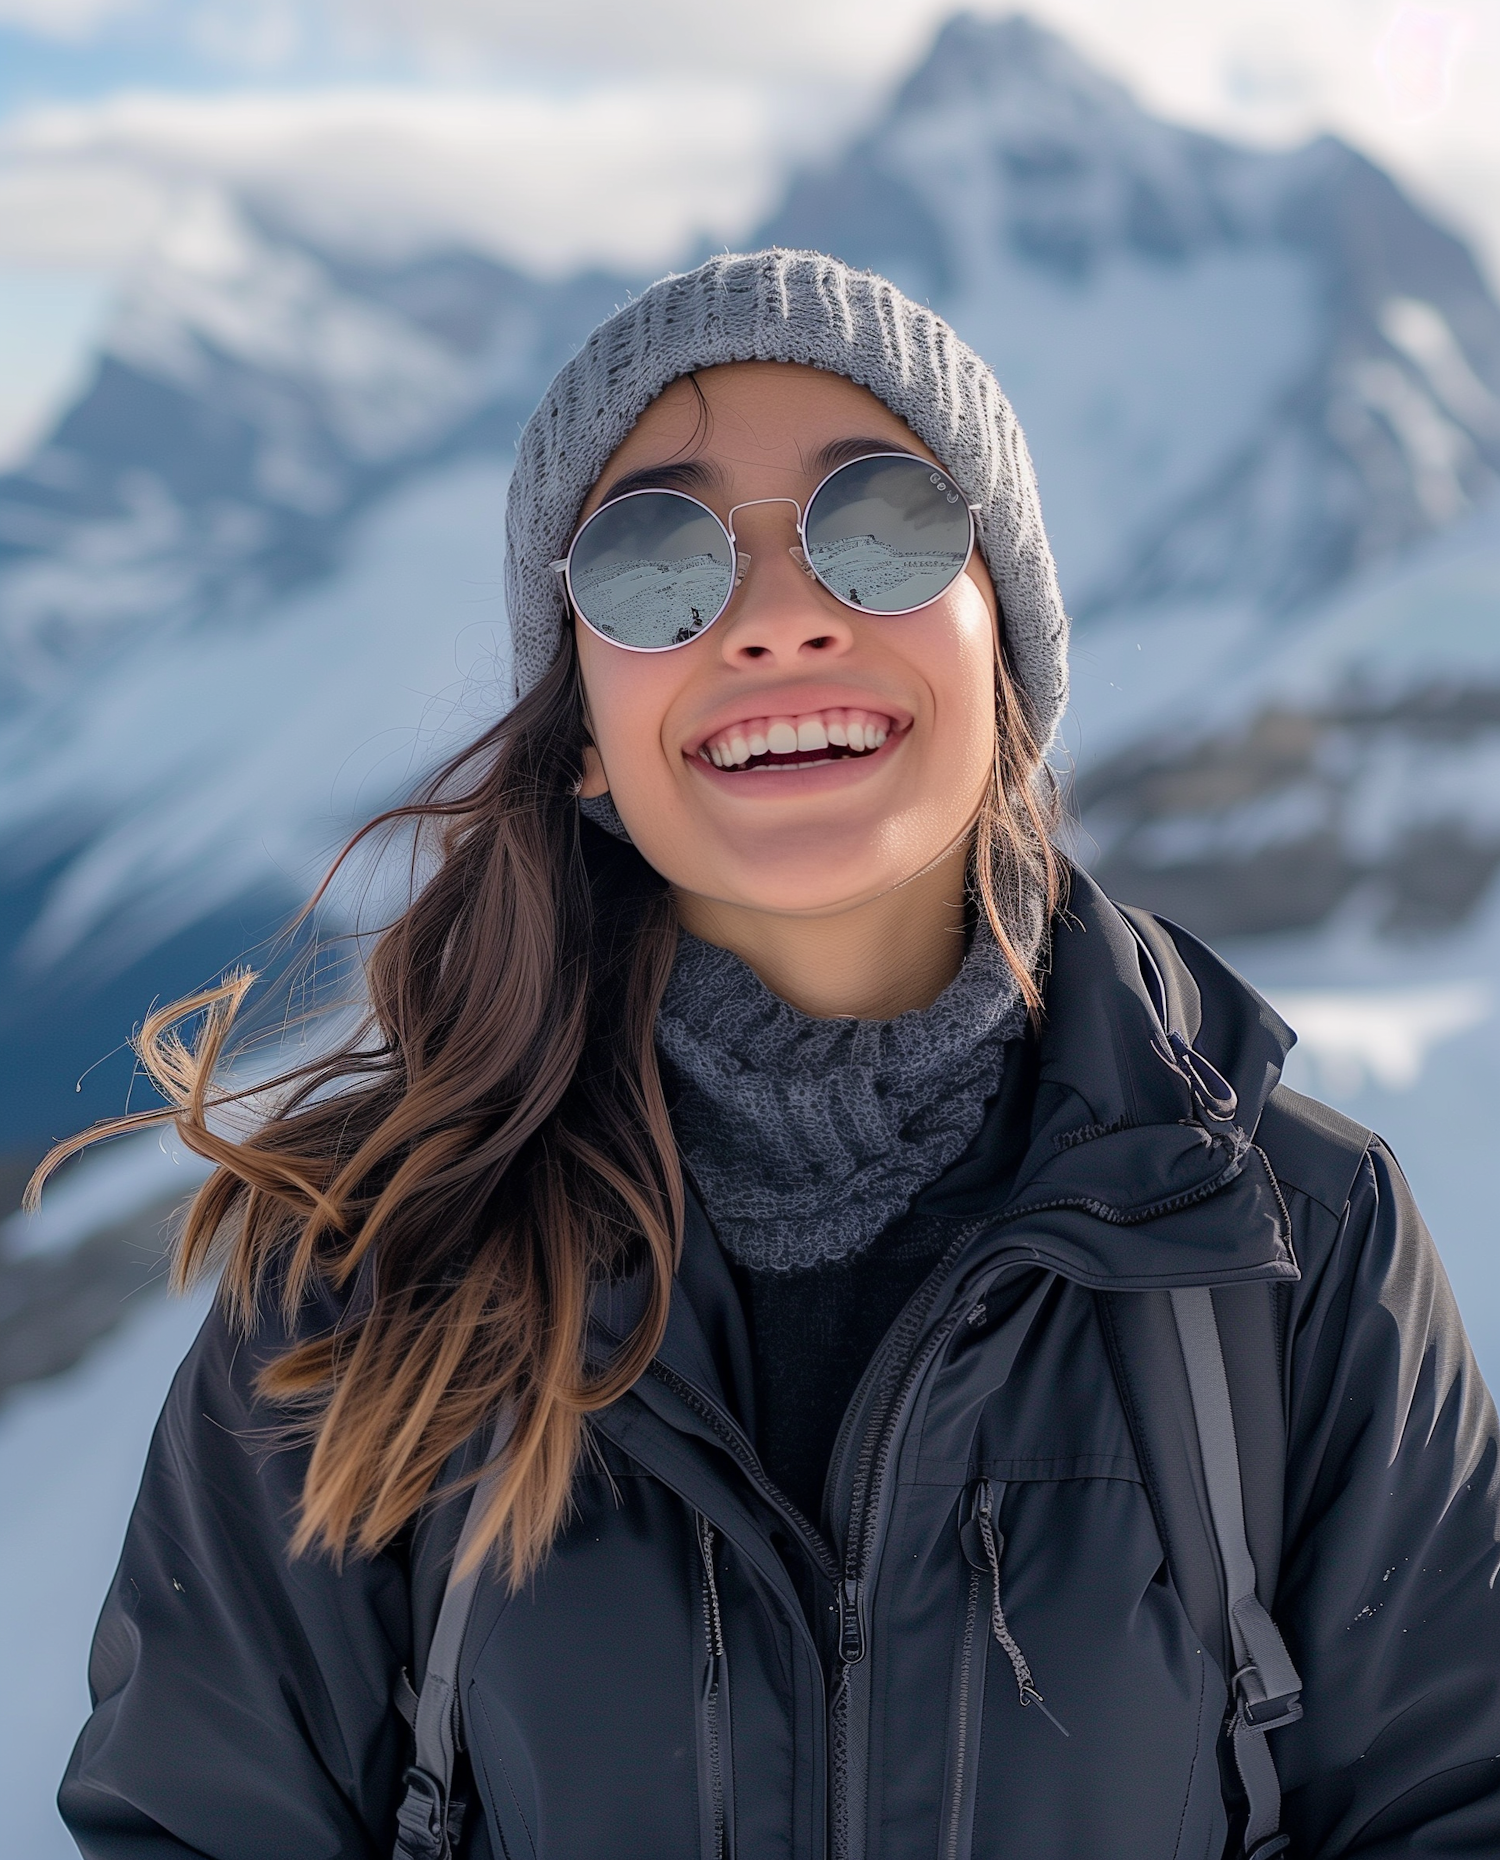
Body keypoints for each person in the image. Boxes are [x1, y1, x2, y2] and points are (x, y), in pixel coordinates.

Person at [51, 250, 1500, 1860]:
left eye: (882, 526)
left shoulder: (1290, 1242)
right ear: (584, 731)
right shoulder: (365, 1271)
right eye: (658, 556)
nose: (779, 620)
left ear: (1005, 647)